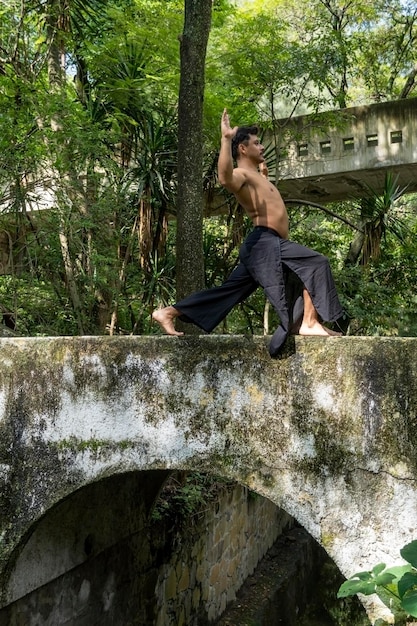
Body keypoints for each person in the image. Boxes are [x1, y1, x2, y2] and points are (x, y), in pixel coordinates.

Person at [152, 108, 344, 357]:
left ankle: (169, 312)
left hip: (265, 248)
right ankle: (308, 323)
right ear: (243, 148)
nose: (262, 147)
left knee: (230, 291)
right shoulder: (241, 174)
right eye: (256, 143)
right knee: (316, 263)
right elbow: (225, 179)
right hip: (265, 243)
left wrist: (264, 176)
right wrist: (225, 139)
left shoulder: (257, 174)